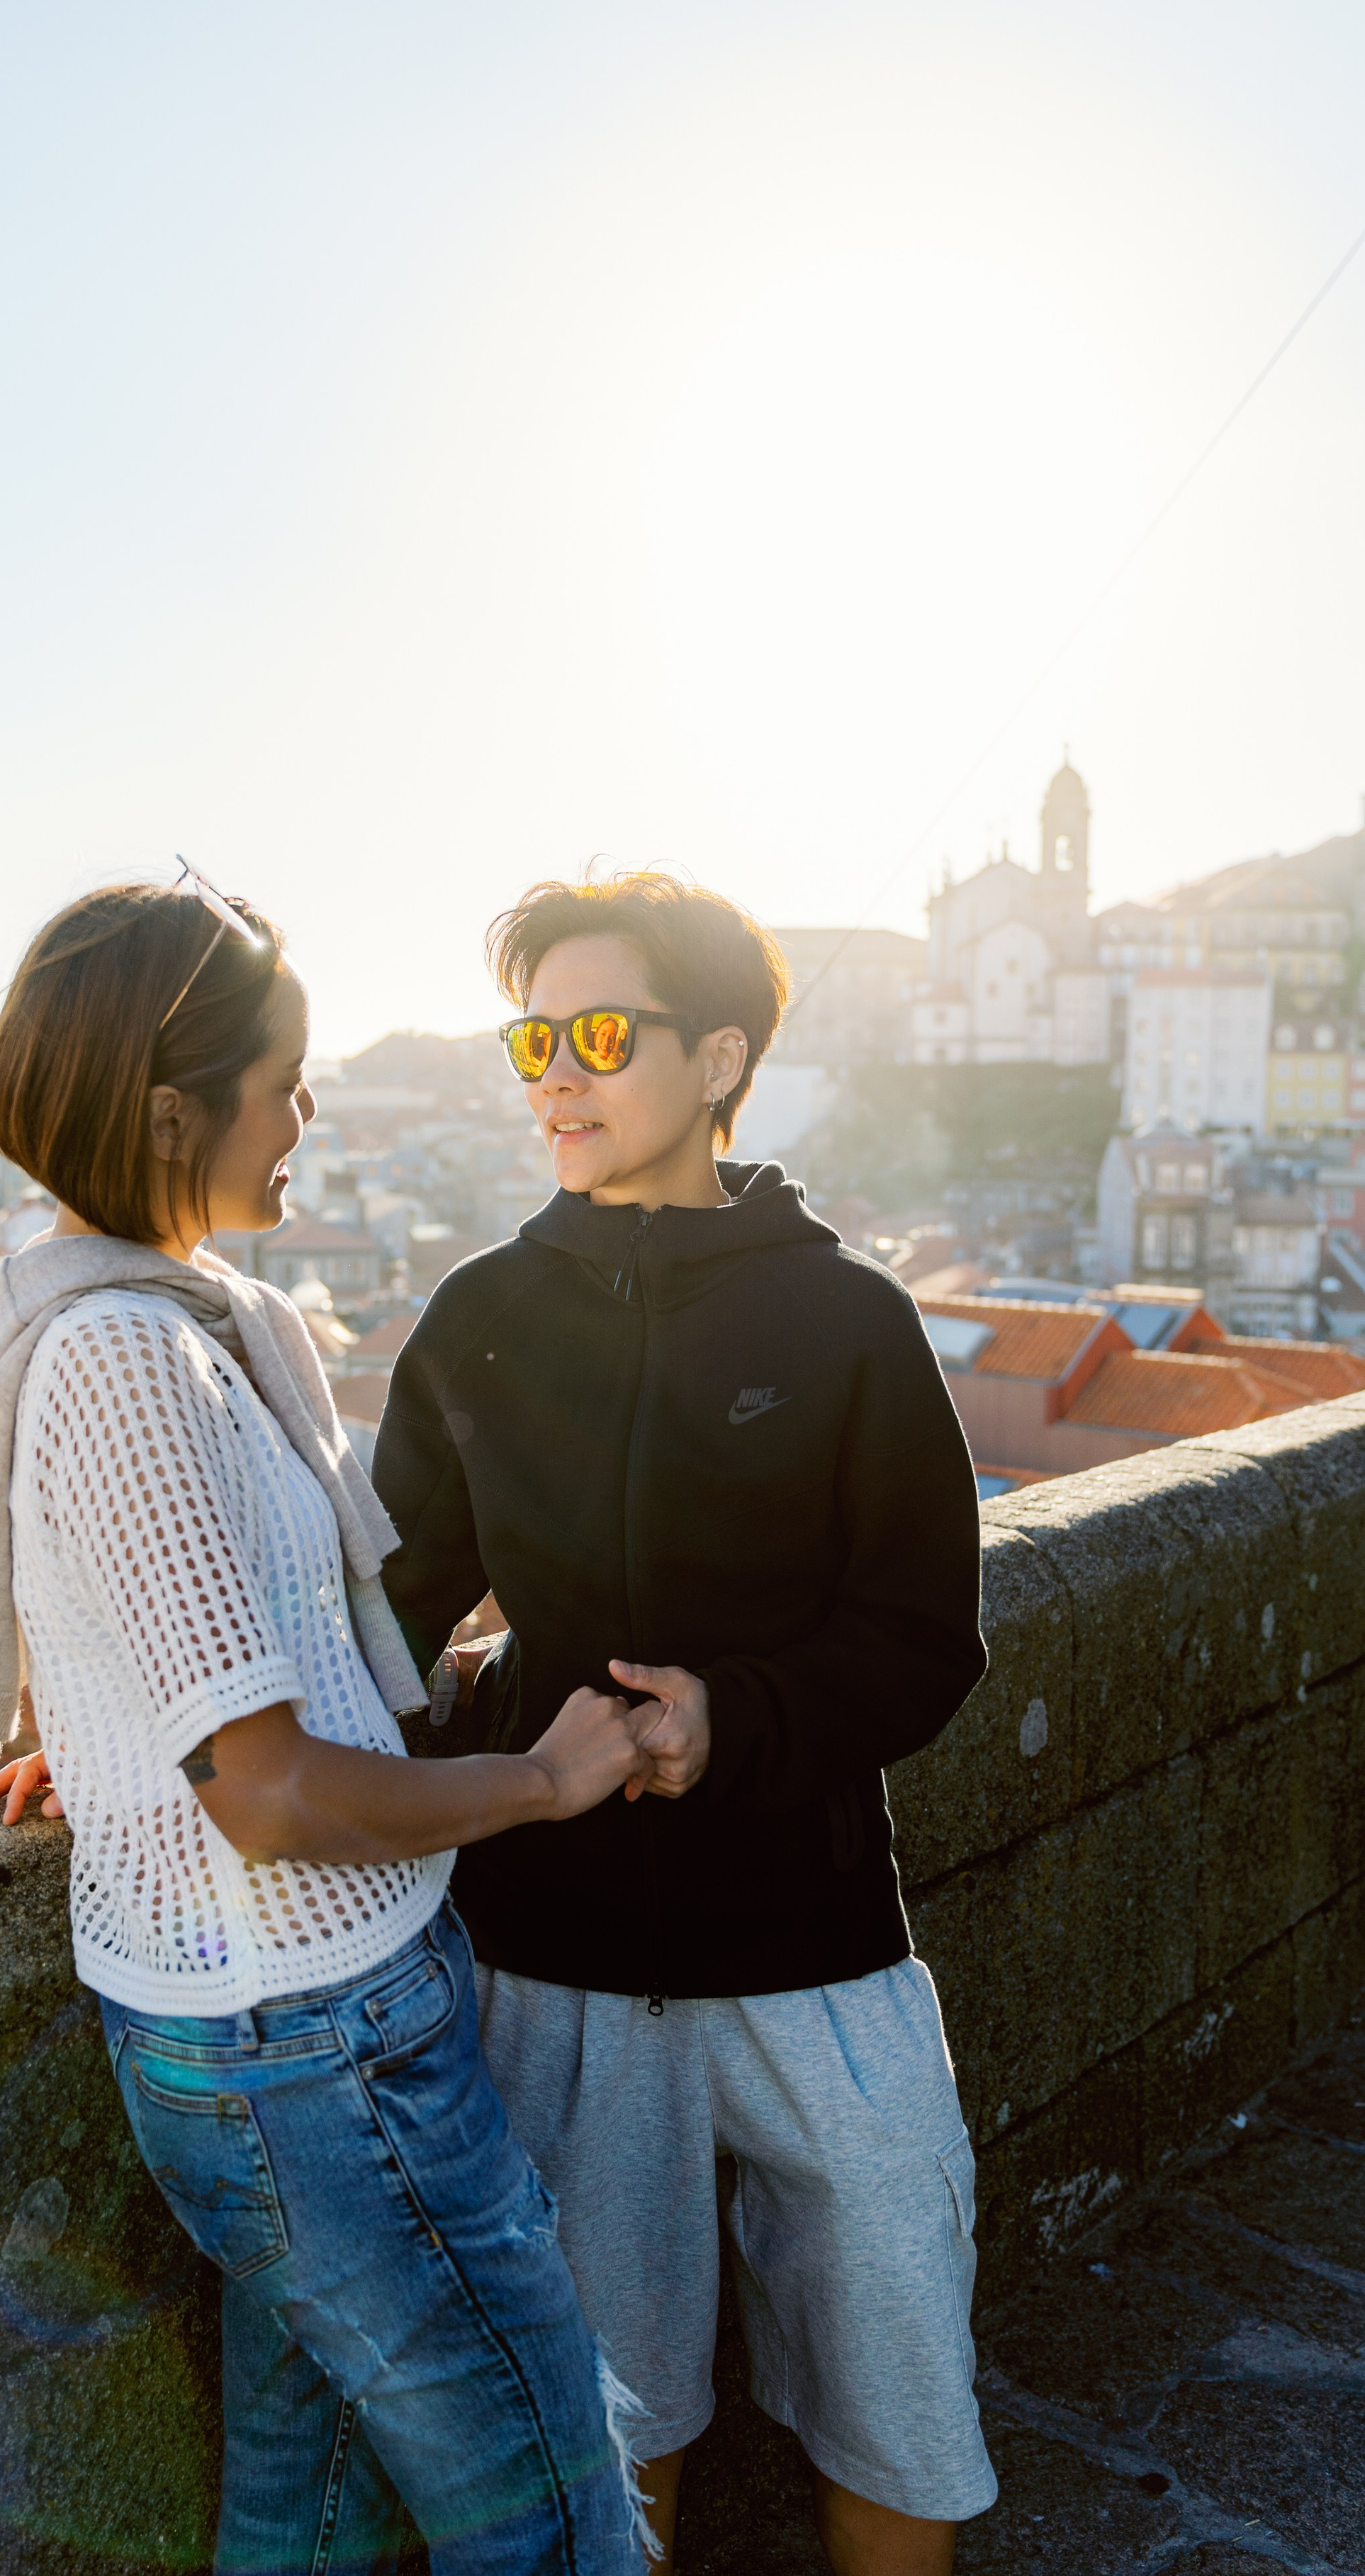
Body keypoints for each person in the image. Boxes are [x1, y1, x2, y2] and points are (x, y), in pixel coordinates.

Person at [0, 871, 660, 2576]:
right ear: (169, 1110)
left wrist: (122, 1722)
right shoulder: (136, 1359)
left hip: (278, 2033)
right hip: (313, 2043)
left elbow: (214, 1652)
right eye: (283, 1078)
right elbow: (274, 1795)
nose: (310, 1108)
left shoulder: (179, 1329)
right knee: (559, 2506)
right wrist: (546, 1777)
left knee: (308, 2505)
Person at [373, 873, 997, 2576]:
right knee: (606, 2418)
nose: (552, 1079)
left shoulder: (846, 1319)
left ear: (717, 1056)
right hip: (556, 1961)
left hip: (813, 1945)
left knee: (900, 2396)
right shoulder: (478, 1321)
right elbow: (380, 1611)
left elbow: (923, 1640)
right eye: (530, 1040)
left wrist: (736, 1716)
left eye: (596, 1035)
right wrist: (159, 1748)